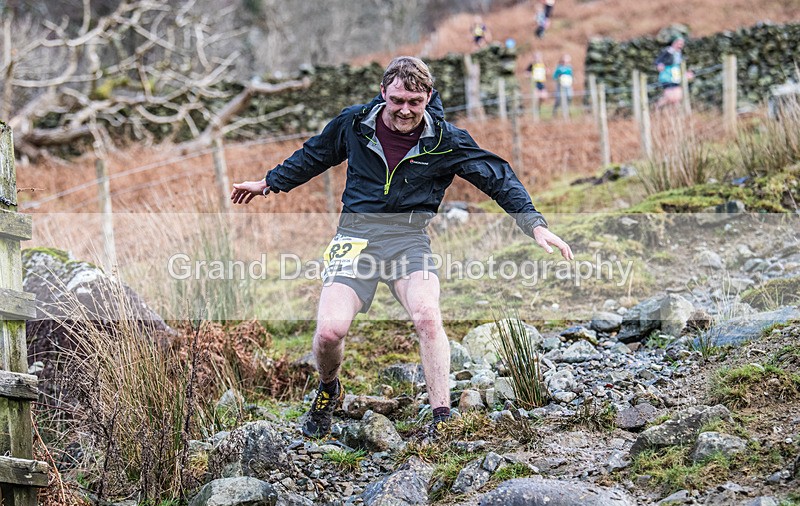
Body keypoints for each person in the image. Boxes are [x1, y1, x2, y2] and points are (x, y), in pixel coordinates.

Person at [230, 56, 573, 441]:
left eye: (414, 101)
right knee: (329, 332)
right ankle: (329, 389)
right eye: (396, 101)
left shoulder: (446, 140)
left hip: (409, 239)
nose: (405, 110)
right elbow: (314, 155)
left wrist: (534, 223)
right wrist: (269, 182)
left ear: (428, 96)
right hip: (355, 238)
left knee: (427, 316)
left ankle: (442, 417)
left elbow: (498, 177)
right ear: (383, 93)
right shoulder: (355, 124)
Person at [655, 37, 693, 109]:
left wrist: (687, 72)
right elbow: (658, 61)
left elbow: (680, 65)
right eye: (679, 43)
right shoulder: (668, 51)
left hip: (676, 77)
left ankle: (674, 115)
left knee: (677, 97)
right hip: (667, 77)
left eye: (682, 44)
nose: (680, 45)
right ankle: (657, 108)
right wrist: (659, 65)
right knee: (671, 97)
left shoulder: (680, 53)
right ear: (674, 43)